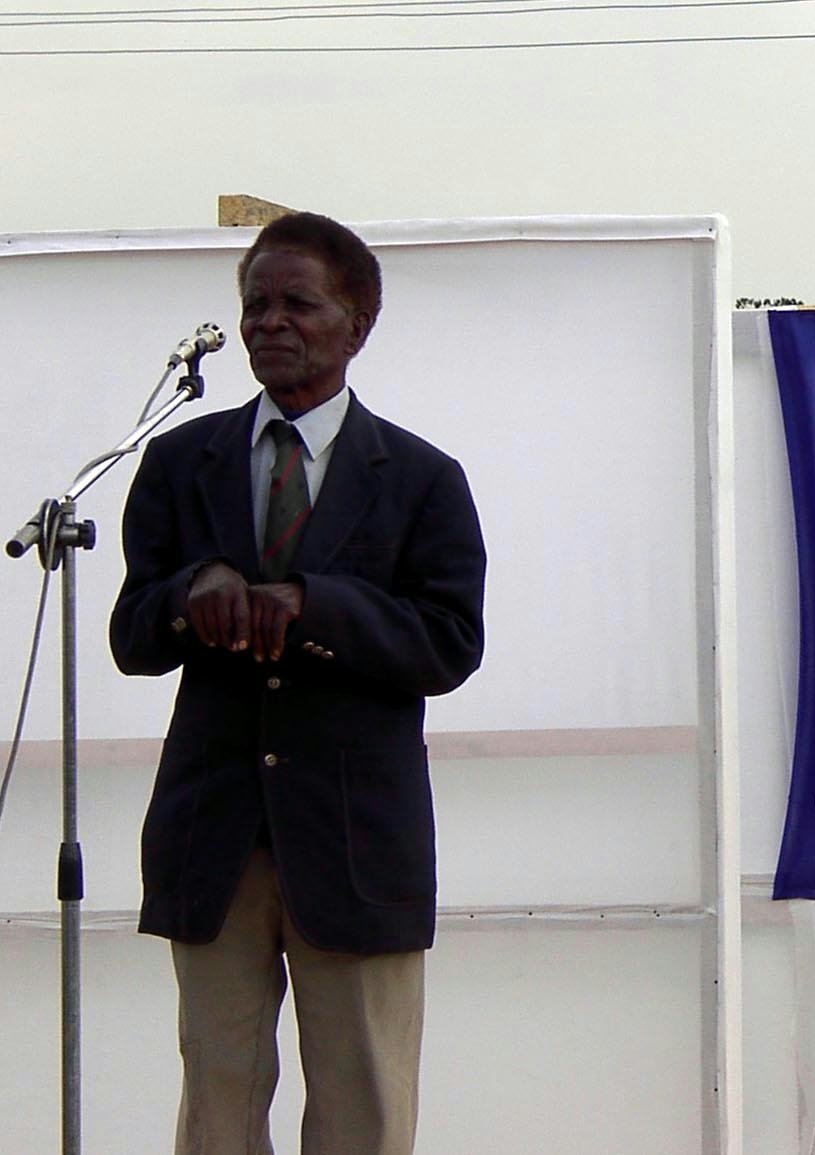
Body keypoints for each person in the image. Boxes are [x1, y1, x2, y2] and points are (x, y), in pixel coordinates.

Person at [110, 212, 487, 1155]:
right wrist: (188, 595)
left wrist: (315, 606)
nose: (270, 322)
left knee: (364, 1104)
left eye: (298, 304)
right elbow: (132, 634)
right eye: (256, 304)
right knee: (218, 1104)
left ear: (357, 325)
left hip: (356, 840)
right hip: (216, 833)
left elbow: (448, 644)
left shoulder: (421, 478)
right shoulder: (180, 461)